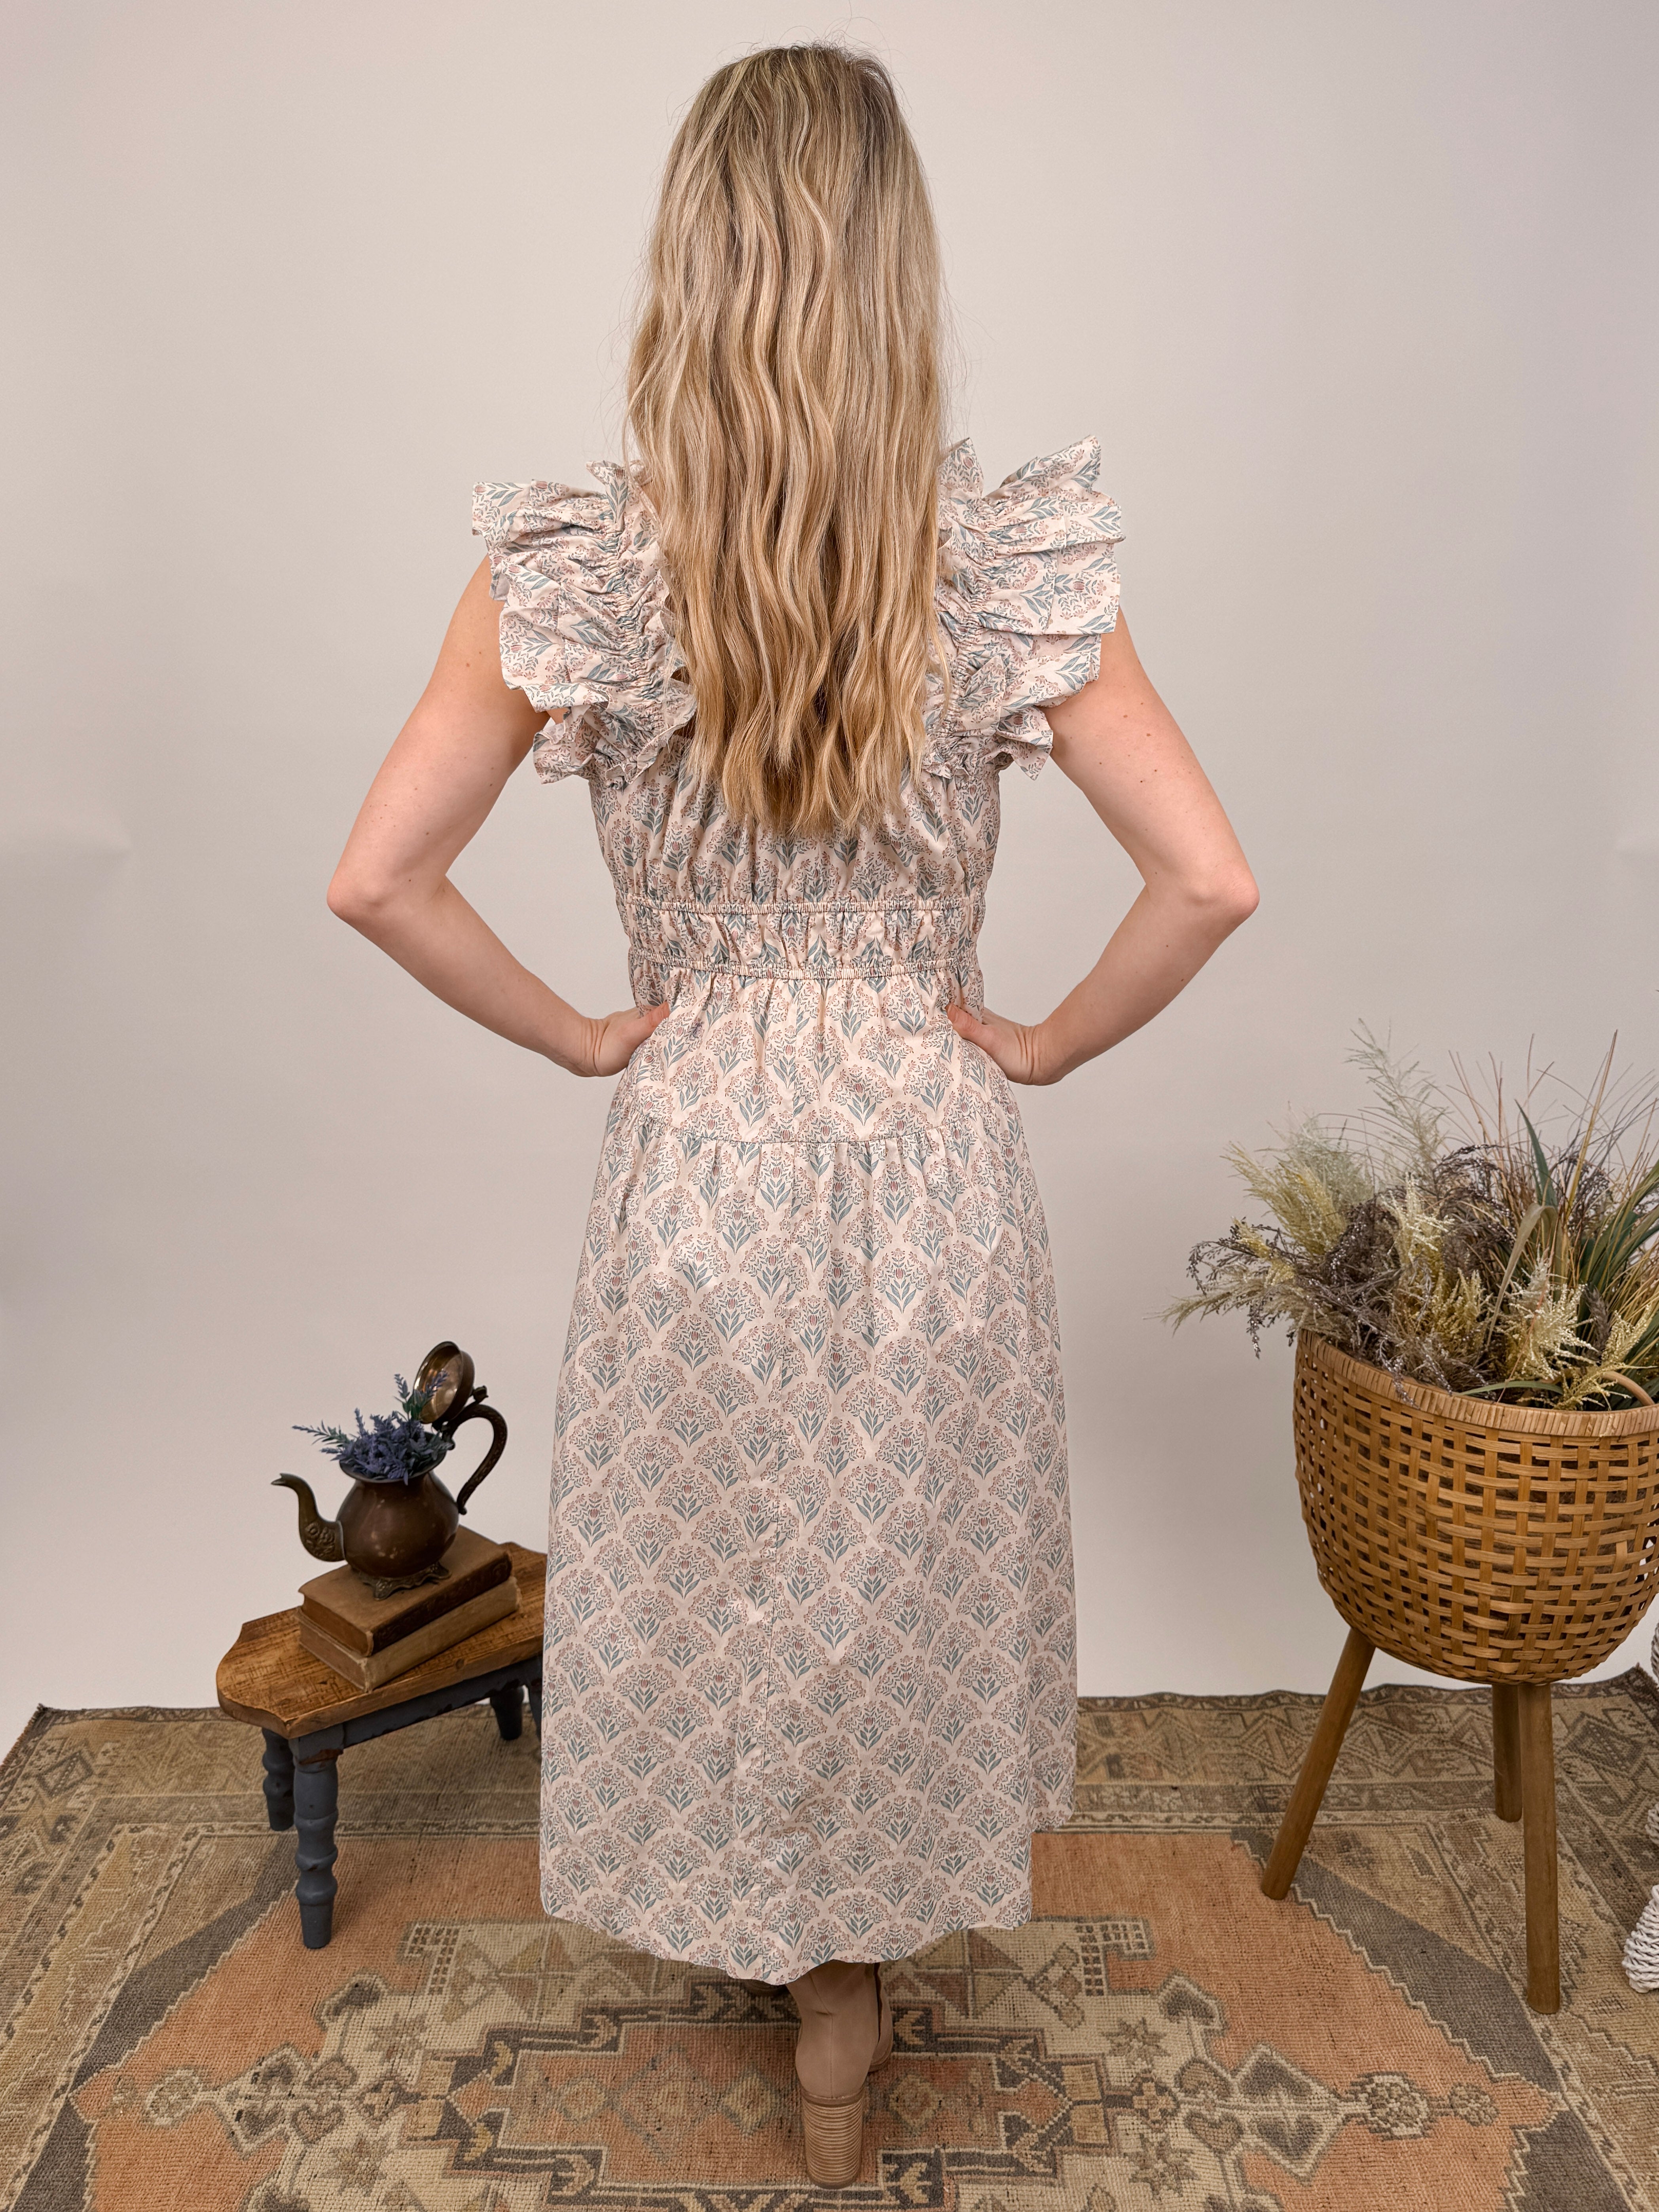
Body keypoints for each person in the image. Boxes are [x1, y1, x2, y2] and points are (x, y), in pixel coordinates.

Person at [328, 42, 1256, 2187]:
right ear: (898, 274)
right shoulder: (995, 563)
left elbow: (377, 877)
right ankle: (853, 1985)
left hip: (698, 1157)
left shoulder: (582, 567)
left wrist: (586, 1035)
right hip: (931, 1150)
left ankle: (778, 1932)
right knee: (891, 1563)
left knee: (735, 1563)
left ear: (692, 266)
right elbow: (1208, 880)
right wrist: (1039, 1043)